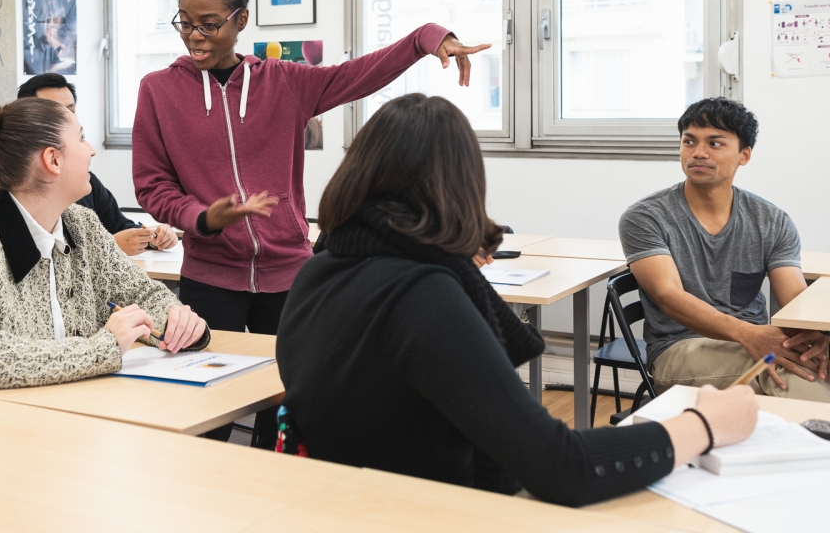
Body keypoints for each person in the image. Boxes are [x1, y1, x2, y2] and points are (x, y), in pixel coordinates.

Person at [275, 94, 759, 506]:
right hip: (432, 510)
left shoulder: (320, 269)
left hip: (343, 501)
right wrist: (703, 424)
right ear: (461, 183)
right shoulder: (423, 294)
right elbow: (561, 468)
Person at [132, 0, 491, 447]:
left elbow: (361, 74)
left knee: (289, 402)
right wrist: (202, 218)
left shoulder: (284, 82)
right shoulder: (157, 90)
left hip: (289, 275)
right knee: (205, 412)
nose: (194, 36)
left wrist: (429, 38)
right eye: (185, 22)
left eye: (209, 24)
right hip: (209, 276)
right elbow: (152, 185)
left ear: (241, 20)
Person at [0, 97, 209, 390]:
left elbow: (142, 293)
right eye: (81, 138)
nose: (92, 150)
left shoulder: (83, 224)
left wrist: (177, 320)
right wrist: (102, 348)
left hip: (63, 414)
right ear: (53, 160)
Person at [621, 98, 830, 401]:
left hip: (756, 341)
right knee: (797, 373)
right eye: (689, 141)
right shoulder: (646, 217)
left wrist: (818, 339)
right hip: (680, 349)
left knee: (816, 362)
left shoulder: (771, 220)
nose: (698, 153)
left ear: (744, 155)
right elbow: (668, 296)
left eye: (715, 143)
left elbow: (794, 299)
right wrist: (749, 335)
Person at [0, 73, 177, 257]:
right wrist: (110, 245)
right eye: (54, 111)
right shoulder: (6, 190)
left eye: (70, 111)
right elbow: (30, 257)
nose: (66, 119)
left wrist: (151, 237)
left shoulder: (84, 188)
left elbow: (119, 225)